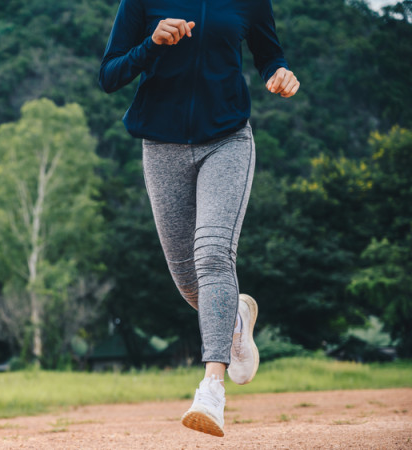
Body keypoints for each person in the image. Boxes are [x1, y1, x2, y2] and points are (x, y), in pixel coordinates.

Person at [99, 0, 299, 438]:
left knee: (212, 253)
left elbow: (270, 56)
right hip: (162, 146)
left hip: (226, 140)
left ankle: (211, 388)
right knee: (188, 278)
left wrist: (279, 74)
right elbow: (109, 74)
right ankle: (237, 320)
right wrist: (151, 43)